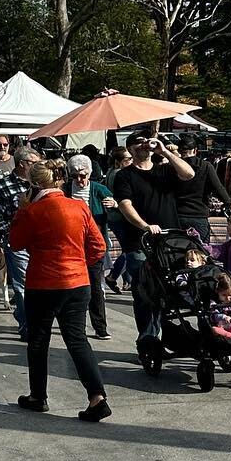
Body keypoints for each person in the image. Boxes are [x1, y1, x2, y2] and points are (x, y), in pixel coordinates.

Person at [9, 163, 110, 422]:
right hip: (77, 282)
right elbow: (99, 246)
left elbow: (16, 242)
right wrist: (80, 264)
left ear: (34, 186)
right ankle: (96, 396)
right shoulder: (80, 206)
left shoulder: (33, 211)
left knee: (39, 340)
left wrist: (21, 210)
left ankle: (38, 396)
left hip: (43, 283)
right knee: (77, 339)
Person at [113, 135, 193, 337]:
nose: (144, 144)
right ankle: (148, 340)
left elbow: (188, 174)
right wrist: (145, 226)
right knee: (145, 293)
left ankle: (169, 337)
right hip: (140, 242)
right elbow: (125, 205)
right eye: (139, 142)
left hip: (169, 242)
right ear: (130, 149)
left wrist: (164, 151)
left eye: (146, 140)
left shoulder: (164, 170)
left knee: (170, 291)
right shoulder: (124, 175)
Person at [0, 146, 40, 339]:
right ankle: (27, 326)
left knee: (36, 284)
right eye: (34, 163)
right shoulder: (3, 185)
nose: (38, 166)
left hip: (39, 242)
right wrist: (14, 231)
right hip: (17, 243)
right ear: (22, 164)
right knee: (22, 285)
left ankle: (23, 313)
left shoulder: (39, 184)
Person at [65, 154, 115, 339]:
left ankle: (100, 327)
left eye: (83, 175)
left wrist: (114, 204)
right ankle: (72, 323)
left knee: (95, 286)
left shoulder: (98, 189)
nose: (80, 180)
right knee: (71, 286)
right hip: (71, 245)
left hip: (94, 246)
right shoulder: (64, 190)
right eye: (75, 176)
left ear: (90, 174)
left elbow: (118, 208)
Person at [167, 135, 231, 243]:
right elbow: (217, 188)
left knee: (177, 250)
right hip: (198, 215)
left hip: (176, 215)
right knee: (201, 252)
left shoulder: (171, 167)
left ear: (180, 151)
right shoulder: (205, 166)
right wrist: (228, 202)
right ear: (195, 150)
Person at [102, 148, 134, 291]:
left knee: (127, 248)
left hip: (113, 216)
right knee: (130, 249)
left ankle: (128, 280)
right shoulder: (118, 174)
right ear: (118, 161)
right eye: (128, 159)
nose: (131, 161)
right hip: (120, 215)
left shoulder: (110, 172)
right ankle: (113, 276)